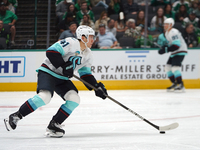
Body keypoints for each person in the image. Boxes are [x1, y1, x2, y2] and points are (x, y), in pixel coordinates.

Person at [4, 25, 108, 138]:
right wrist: (63, 66)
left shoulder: (88, 54)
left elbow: (85, 74)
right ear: (83, 37)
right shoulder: (71, 42)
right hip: (48, 72)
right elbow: (51, 51)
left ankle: (54, 125)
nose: (93, 40)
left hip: (62, 78)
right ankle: (16, 116)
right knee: (45, 97)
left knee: (74, 99)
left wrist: (96, 87)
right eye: (91, 37)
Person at [158, 18, 187, 92]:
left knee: (175, 68)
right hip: (175, 52)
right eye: (164, 24)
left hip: (180, 50)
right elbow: (171, 44)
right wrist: (165, 48)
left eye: (167, 24)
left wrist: (166, 50)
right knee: (167, 68)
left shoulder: (173, 32)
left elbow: (176, 45)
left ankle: (181, 85)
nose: (165, 25)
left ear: (171, 25)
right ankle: (175, 83)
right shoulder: (167, 32)